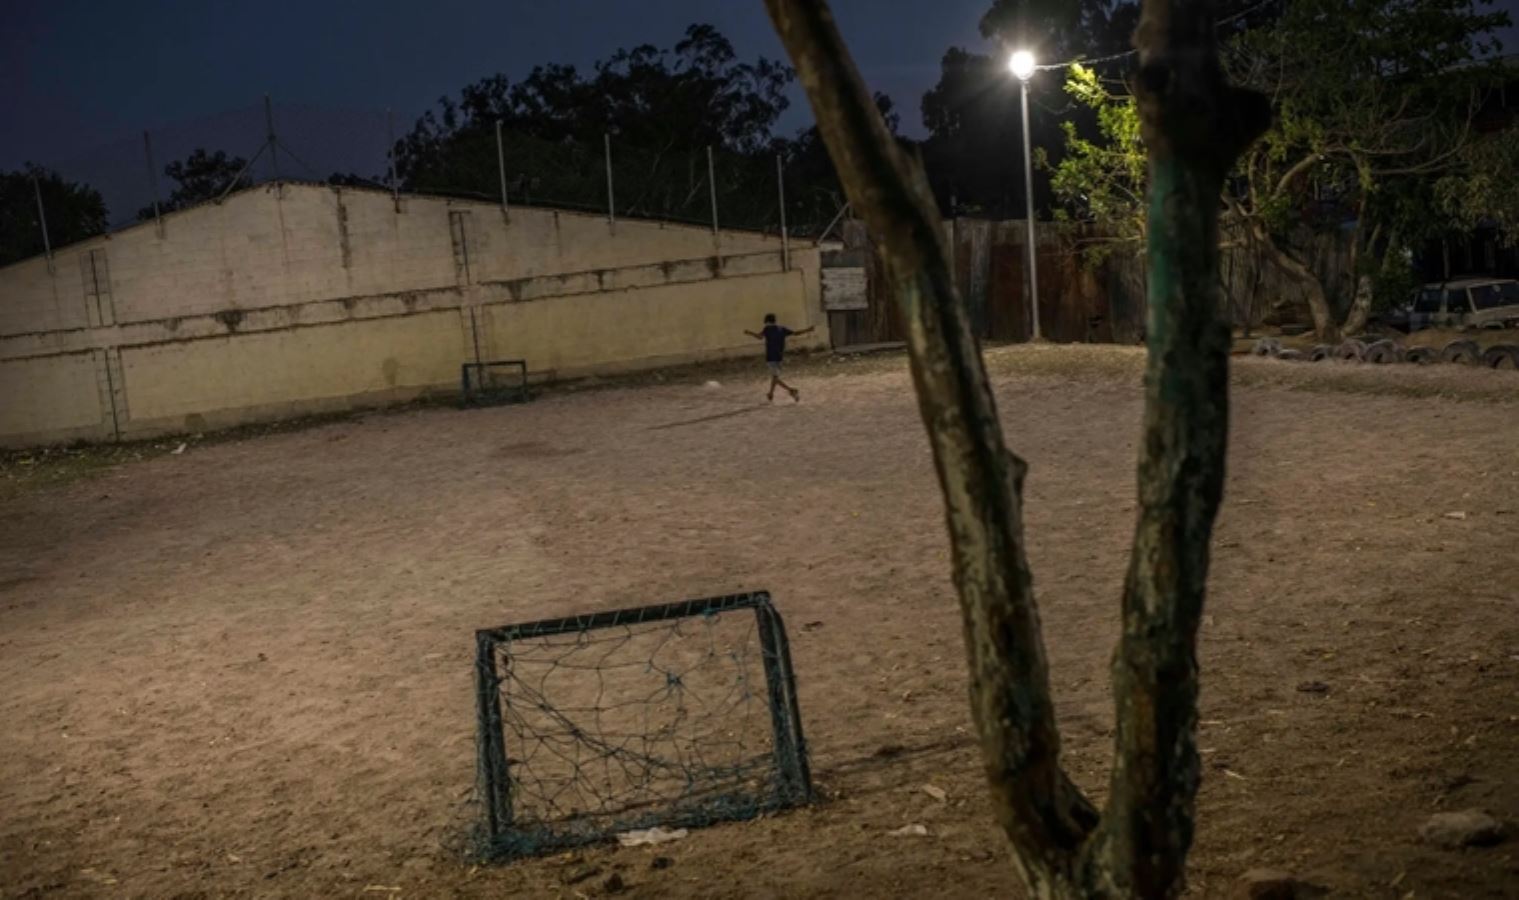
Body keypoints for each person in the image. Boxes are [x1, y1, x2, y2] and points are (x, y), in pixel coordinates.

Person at [744, 314, 814, 403]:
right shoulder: (782, 329)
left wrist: (749, 333)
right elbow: (796, 333)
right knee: (775, 376)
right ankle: (771, 393)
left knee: (775, 377)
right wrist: (808, 330)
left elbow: (759, 337)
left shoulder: (767, 329)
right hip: (779, 356)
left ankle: (791, 390)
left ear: (767, 321)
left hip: (770, 357)